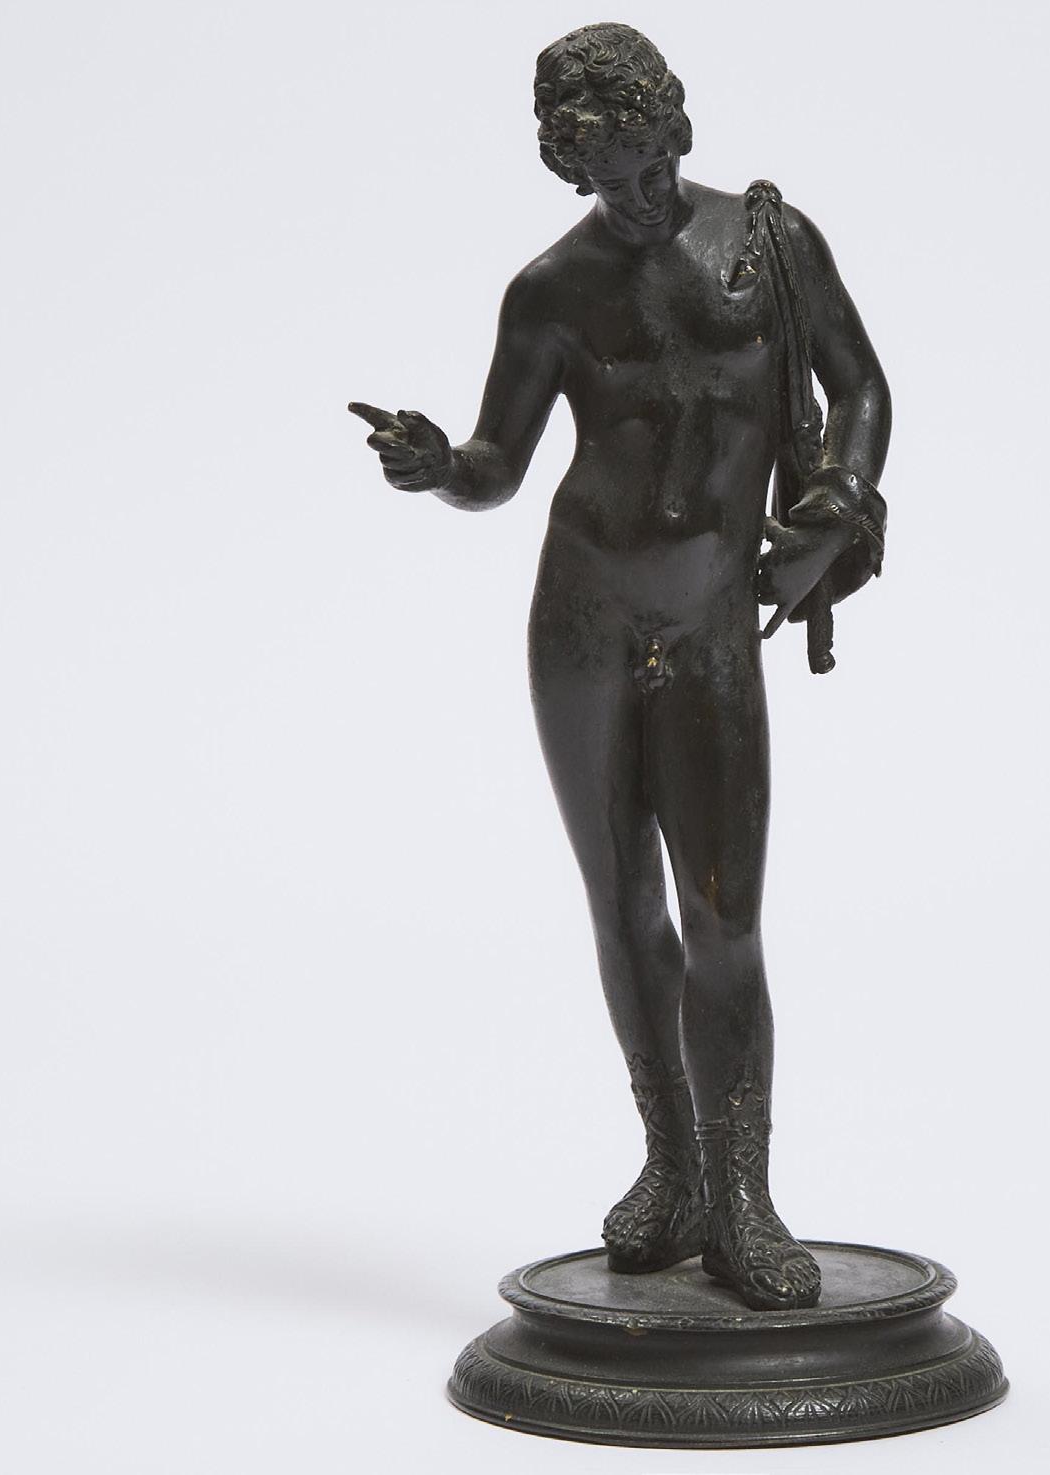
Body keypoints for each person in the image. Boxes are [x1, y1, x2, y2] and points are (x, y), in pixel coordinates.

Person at [349, 22, 890, 1311]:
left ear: (674, 127)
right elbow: (499, 465)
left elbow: (862, 392)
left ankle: (743, 1195)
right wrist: (440, 467)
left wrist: (836, 510)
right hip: (584, 616)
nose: (635, 194)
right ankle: (673, 1169)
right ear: (565, 165)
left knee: (723, 913)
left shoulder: (769, 243)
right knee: (624, 903)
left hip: (710, 621)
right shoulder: (552, 291)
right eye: (603, 175)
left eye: (646, 163)